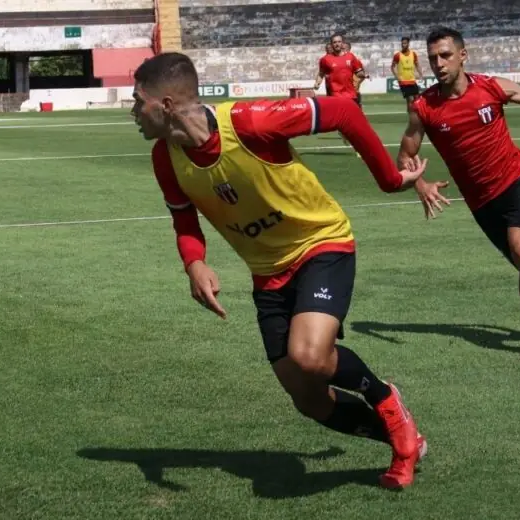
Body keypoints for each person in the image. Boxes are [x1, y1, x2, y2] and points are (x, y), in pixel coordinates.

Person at [133, 52, 429, 490]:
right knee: (308, 399)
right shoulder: (166, 158)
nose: (133, 111)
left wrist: (389, 180)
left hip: (321, 242)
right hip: (267, 272)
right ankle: (401, 438)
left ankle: (386, 399)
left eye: (138, 101)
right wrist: (194, 263)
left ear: (168, 104)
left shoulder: (250, 123)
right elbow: (184, 219)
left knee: (309, 356)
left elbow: (344, 111)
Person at [397, 27, 520, 364]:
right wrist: (420, 184)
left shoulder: (490, 87)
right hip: (482, 202)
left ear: (463, 55)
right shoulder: (423, 107)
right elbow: (405, 155)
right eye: (433, 58)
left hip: (518, 180)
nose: (439, 64)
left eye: (445, 55)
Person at [315, 34, 366, 155]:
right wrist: (317, 82)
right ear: (331, 44)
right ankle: (354, 145)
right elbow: (321, 73)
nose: (337, 44)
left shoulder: (350, 57)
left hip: (351, 95)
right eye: (334, 42)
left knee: (357, 123)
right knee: (343, 123)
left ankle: (355, 142)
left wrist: (361, 75)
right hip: (336, 96)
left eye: (339, 42)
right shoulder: (325, 60)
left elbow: (359, 71)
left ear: (342, 43)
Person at [392, 37, 424, 112]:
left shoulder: (413, 54)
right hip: (403, 82)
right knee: (410, 99)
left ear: (408, 44)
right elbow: (392, 67)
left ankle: (417, 115)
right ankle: (411, 116)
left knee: (417, 99)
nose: (403, 45)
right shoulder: (397, 55)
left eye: (405, 43)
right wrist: (397, 77)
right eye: (402, 43)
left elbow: (417, 64)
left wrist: (421, 74)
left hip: (412, 80)